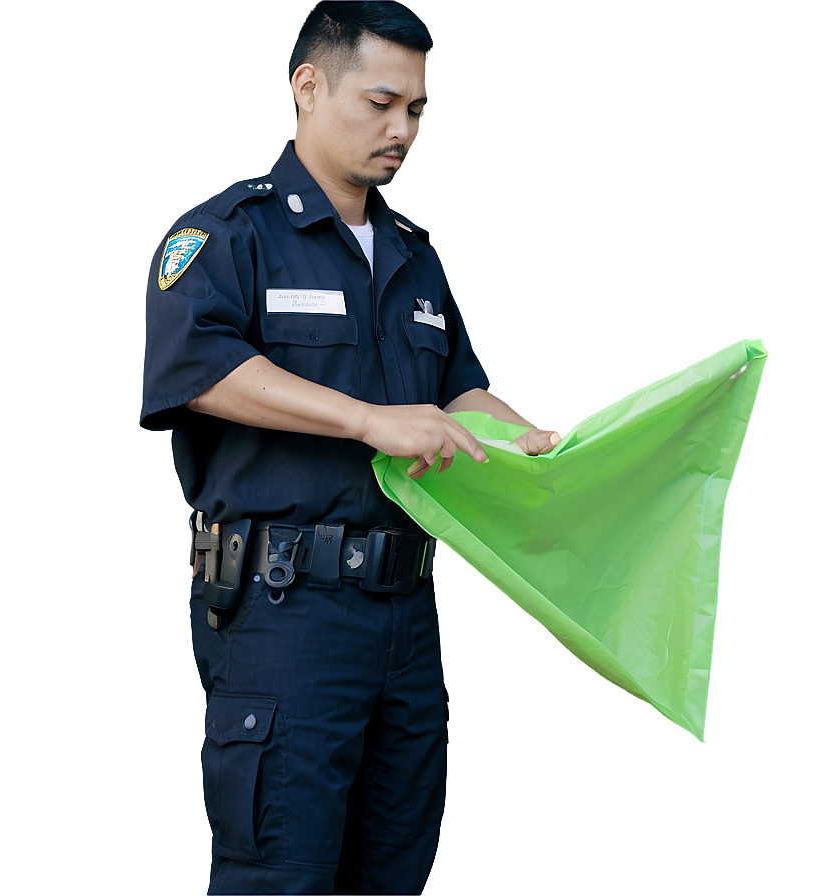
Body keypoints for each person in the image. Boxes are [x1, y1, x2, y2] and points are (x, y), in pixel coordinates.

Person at [140, 2, 560, 892]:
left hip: (407, 617)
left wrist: (515, 433)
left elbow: (457, 389)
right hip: (285, 613)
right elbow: (196, 369)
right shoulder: (233, 235)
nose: (401, 129)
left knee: (394, 873)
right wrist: (369, 420)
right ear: (308, 87)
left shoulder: (415, 256)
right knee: (282, 875)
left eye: (415, 109)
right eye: (380, 103)